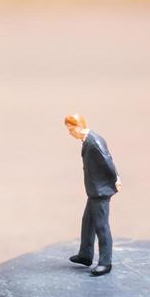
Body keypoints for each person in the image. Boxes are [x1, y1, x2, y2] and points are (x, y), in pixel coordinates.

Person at [65, 114, 121, 276]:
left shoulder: (93, 142)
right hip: (94, 190)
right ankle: (85, 255)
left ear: (79, 127)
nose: (69, 133)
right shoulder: (87, 140)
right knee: (87, 222)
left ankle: (105, 262)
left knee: (101, 226)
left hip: (100, 191)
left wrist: (115, 179)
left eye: (71, 129)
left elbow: (108, 161)